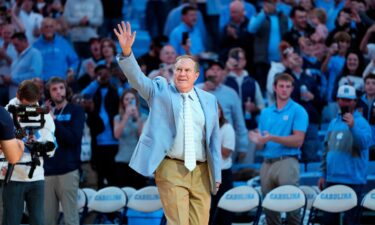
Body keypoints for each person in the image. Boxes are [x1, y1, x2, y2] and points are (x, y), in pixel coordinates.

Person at [114, 21, 221, 225]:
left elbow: (213, 139)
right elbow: (137, 79)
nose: (182, 73)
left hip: (202, 171)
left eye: (187, 70)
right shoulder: (160, 90)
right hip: (171, 167)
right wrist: (127, 52)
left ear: (196, 75)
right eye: (178, 69)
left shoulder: (209, 100)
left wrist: (216, 171)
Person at [249, 73, 308, 225]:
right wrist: (257, 140)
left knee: (292, 208)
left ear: (292, 89)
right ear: (274, 88)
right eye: (281, 86)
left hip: (287, 161)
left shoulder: (298, 110)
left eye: (288, 87)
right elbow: (262, 142)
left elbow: (298, 140)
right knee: (269, 209)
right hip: (267, 162)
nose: (284, 90)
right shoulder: (265, 113)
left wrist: (272, 137)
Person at [1, 80, 56, 225]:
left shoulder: (43, 114)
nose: (30, 108)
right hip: (12, 176)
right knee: (11, 220)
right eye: (27, 104)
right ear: (18, 95)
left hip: (36, 176)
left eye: (33, 104)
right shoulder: (6, 113)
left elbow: (51, 146)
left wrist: (39, 142)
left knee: (38, 220)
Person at [318, 84, 372, 225]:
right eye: (342, 99)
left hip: (353, 180)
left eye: (349, 100)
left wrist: (353, 127)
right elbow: (326, 150)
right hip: (332, 179)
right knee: (328, 221)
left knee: (351, 222)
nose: (345, 103)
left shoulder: (362, 123)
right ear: (337, 100)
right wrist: (323, 174)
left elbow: (365, 144)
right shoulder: (332, 123)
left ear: (354, 102)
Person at [43, 77, 85, 225]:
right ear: (49, 92)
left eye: (61, 87)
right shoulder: (45, 115)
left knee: (71, 219)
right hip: (47, 171)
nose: (58, 92)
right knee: (47, 220)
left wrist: (53, 120)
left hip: (68, 170)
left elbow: (73, 138)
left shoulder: (76, 110)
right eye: (54, 89)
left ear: (66, 89)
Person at [113, 89, 148, 189]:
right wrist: (126, 116)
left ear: (136, 101)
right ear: (123, 102)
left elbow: (142, 136)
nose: (129, 101)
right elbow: (116, 135)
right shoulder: (117, 118)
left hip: (138, 162)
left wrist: (137, 118)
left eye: (132, 99)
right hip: (122, 161)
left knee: (138, 192)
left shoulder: (144, 117)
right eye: (126, 99)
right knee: (124, 192)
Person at [209, 104, 235, 225]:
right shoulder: (203, 128)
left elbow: (226, 152)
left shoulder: (227, 128)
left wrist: (211, 138)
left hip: (223, 173)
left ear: (221, 112)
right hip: (207, 173)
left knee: (224, 210)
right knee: (208, 209)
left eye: (217, 108)